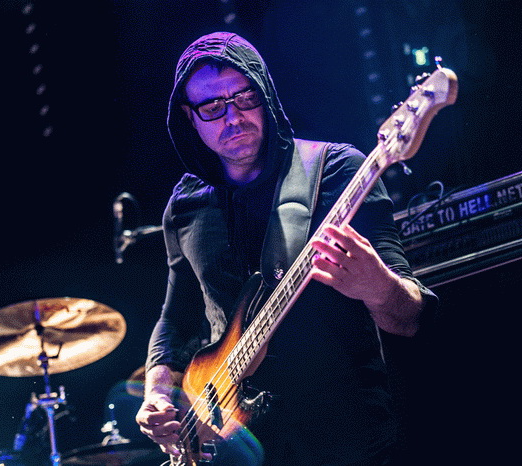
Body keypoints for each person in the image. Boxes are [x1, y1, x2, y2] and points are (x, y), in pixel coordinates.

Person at [135, 31, 437, 465]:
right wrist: (157, 393)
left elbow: (410, 319)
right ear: (189, 116)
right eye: (212, 107)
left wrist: (378, 286)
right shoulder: (185, 205)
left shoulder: (337, 172)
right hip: (237, 449)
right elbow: (175, 319)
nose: (233, 117)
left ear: (266, 94)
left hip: (347, 441)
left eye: (244, 98)